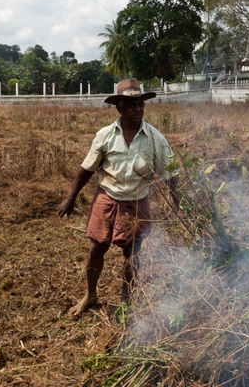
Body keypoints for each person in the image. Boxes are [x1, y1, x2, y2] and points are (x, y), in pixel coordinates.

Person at [58, 78, 180, 317]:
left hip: (136, 202)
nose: (138, 109)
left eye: (140, 104)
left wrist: (179, 205)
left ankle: (127, 300)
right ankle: (90, 295)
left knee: (132, 254)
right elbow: (87, 168)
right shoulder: (105, 135)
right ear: (119, 108)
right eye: (131, 104)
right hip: (107, 197)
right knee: (96, 249)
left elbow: (171, 175)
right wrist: (70, 198)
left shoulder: (156, 139)